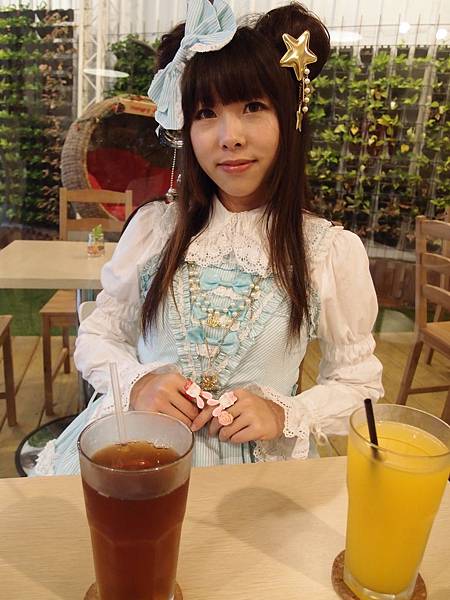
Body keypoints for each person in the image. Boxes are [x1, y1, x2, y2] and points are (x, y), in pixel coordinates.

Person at [35, 0, 383, 476]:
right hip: (139, 459)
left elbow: (359, 383)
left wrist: (285, 413)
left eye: (253, 107)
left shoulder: (326, 251)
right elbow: (100, 335)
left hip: (254, 483)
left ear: (290, 119)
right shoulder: (155, 229)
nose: (229, 136)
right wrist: (138, 384)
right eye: (205, 112)